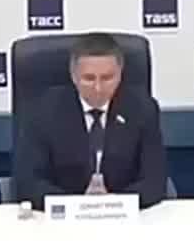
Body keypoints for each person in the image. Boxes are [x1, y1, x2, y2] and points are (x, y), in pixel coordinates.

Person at [14, 32, 167, 210]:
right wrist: (79, 207)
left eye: (107, 78)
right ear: (73, 76)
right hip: (60, 219)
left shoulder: (143, 109)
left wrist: (112, 205)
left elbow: (154, 182)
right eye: (89, 78)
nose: (98, 88)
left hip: (125, 218)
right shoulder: (42, 111)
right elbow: (29, 183)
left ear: (120, 75)